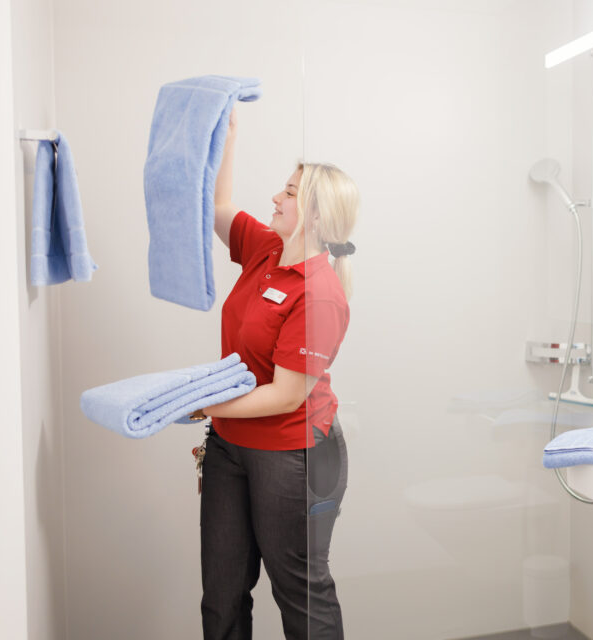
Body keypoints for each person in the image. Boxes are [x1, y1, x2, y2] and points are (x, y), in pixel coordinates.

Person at [194, 107, 358, 639]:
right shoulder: (266, 248)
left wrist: (202, 404)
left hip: (291, 453)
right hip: (230, 444)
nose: (275, 198)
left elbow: (287, 395)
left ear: (315, 216)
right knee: (221, 594)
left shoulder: (320, 293)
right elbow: (218, 207)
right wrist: (227, 136)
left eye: (288, 192)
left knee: (300, 592)